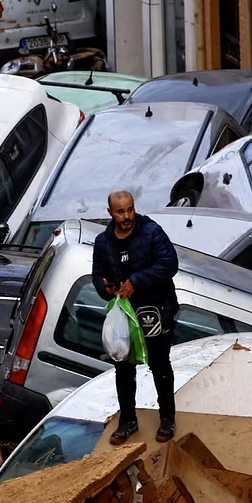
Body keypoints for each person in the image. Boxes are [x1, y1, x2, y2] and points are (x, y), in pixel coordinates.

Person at [92, 189, 179, 445]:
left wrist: (136, 282)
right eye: (120, 212)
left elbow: (169, 263)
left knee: (160, 366)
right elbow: (97, 275)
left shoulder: (151, 231)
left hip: (155, 312)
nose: (127, 216)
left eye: (130, 209)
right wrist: (105, 289)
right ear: (110, 213)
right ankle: (128, 420)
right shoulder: (103, 242)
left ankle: (167, 418)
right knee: (123, 368)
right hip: (124, 317)